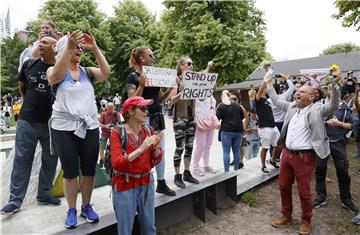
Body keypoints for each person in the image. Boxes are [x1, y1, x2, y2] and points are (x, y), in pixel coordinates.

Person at [47, 31, 110, 228]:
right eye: (76, 47)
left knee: (89, 169)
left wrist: (95, 47)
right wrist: (68, 47)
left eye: (81, 48)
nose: (79, 50)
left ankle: (86, 206)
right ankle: (72, 209)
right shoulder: (54, 71)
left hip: (89, 126)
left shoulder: (87, 72)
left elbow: (106, 72)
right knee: (70, 170)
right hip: (64, 128)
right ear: (65, 48)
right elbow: (55, 77)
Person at [267, 71, 341, 235]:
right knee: (283, 186)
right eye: (297, 92)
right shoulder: (291, 107)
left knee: (304, 191)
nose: (297, 93)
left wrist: (335, 84)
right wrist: (269, 84)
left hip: (304, 158)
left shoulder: (318, 110)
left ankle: (306, 221)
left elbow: (334, 104)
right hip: (286, 155)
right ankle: (286, 216)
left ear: (312, 96)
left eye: (302, 92)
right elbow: (276, 100)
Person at [0, 35, 60, 215]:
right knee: (22, 160)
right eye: (39, 42)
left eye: (44, 43)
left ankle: (43, 194)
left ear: (54, 47)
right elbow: (22, 87)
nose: (39, 45)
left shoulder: (60, 68)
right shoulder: (29, 64)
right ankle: (15, 200)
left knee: (50, 159)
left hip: (51, 123)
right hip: (27, 120)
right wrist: (29, 104)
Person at [124, 45, 175, 196]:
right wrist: (141, 85)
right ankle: (143, 184)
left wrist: (169, 90)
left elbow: (160, 99)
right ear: (142, 58)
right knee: (143, 152)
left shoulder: (155, 75)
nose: (154, 58)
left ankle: (161, 182)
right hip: (142, 121)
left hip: (157, 118)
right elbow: (132, 100)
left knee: (160, 151)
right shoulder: (132, 77)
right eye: (150, 55)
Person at [110, 96, 162, 235]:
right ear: (131, 112)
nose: (146, 111)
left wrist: (156, 149)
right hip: (124, 184)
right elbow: (117, 163)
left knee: (150, 227)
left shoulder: (149, 130)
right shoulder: (117, 133)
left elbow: (155, 160)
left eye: (147, 108)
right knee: (125, 230)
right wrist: (141, 149)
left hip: (146, 182)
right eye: (143, 108)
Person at [170, 57, 213, 187]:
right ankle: (177, 176)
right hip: (179, 118)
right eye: (189, 63)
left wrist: (208, 68)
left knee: (189, 147)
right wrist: (181, 92)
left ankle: (187, 173)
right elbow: (172, 100)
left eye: (192, 63)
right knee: (180, 147)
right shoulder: (176, 80)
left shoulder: (194, 81)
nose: (192, 65)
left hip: (191, 118)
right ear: (182, 66)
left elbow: (203, 78)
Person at [313, 94, 358, 214]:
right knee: (320, 170)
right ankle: (320, 196)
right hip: (323, 142)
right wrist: (327, 122)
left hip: (338, 143)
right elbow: (313, 122)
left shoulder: (344, 107)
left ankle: (346, 200)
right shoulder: (320, 105)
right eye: (329, 88)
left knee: (343, 171)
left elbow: (350, 126)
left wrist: (339, 123)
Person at [216, 90, 247, 172]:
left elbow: (217, 119)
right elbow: (242, 117)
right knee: (236, 151)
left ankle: (227, 172)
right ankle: (236, 170)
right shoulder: (237, 106)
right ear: (229, 96)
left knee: (226, 152)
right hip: (238, 131)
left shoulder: (221, 106)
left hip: (226, 131)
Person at [255, 78, 280, 173]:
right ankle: (263, 166)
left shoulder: (268, 101)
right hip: (265, 127)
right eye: (264, 88)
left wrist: (269, 81)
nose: (265, 89)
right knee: (265, 148)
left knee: (279, 145)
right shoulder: (258, 100)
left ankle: (273, 160)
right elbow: (261, 89)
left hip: (273, 126)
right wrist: (265, 79)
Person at [192, 91, 219, 176]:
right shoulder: (197, 92)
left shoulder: (210, 93)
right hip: (201, 121)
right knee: (200, 145)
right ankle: (195, 167)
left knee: (208, 145)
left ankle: (206, 165)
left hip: (211, 120)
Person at [99, 102, 120, 168]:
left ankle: (111, 160)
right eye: (109, 109)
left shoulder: (116, 114)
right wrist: (106, 126)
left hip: (113, 133)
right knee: (102, 147)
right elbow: (100, 124)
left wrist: (115, 126)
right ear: (107, 108)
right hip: (104, 133)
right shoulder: (103, 114)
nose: (111, 110)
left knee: (113, 147)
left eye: (112, 109)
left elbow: (119, 123)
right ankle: (101, 160)